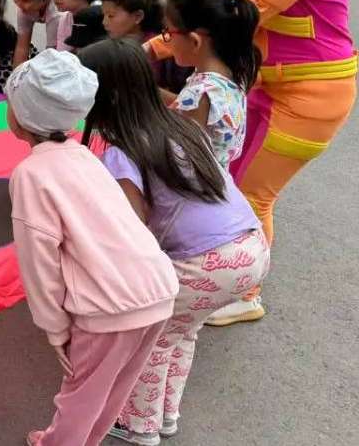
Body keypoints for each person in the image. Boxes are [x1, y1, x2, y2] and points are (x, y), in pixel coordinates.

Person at [184, 0, 359, 326]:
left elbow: (231, 13)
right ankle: (236, 276)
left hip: (312, 100)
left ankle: (246, 290)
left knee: (252, 192)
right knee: (234, 180)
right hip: (265, 84)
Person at [76, 40, 269, 446]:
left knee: (154, 339)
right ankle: (165, 415)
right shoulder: (179, 123)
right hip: (250, 248)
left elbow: (135, 231)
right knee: (183, 332)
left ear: (101, 96)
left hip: (206, 261)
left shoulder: (122, 151)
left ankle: (139, 426)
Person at [3, 49, 178, 446]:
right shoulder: (84, 155)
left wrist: (54, 328)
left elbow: (39, 261)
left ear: (21, 115)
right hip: (157, 289)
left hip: (108, 305)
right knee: (112, 389)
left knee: (80, 395)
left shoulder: (32, 174)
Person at [163, 0, 262, 170]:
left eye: (168, 33)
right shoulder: (231, 74)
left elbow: (176, 158)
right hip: (218, 183)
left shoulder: (200, 94)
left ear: (194, 41)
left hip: (192, 192)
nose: (166, 40)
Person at [11, 0, 71, 66]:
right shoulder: (24, 9)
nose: (19, 3)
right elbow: (22, 47)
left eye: (25, 0)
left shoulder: (56, 13)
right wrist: (15, 77)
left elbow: (51, 53)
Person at [98, 0, 164, 44]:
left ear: (138, 17)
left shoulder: (153, 50)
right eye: (104, 15)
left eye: (111, 16)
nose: (104, 22)